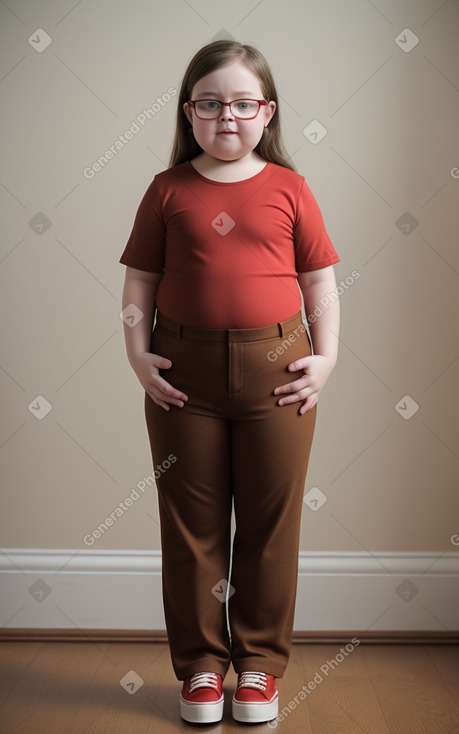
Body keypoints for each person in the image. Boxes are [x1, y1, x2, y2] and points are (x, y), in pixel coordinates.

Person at [120, 39, 340, 725]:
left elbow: (320, 283)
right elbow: (140, 280)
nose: (226, 117)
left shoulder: (289, 189)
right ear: (189, 113)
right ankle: (200, 672)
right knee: (191, 527)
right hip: (183, 376)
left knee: (270, 527)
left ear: (265, 112)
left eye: (242, 103)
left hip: (278, 374)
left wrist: (325, 359)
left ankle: (258, 670)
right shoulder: (167, 190)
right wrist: (136, 353)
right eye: (209, 103)